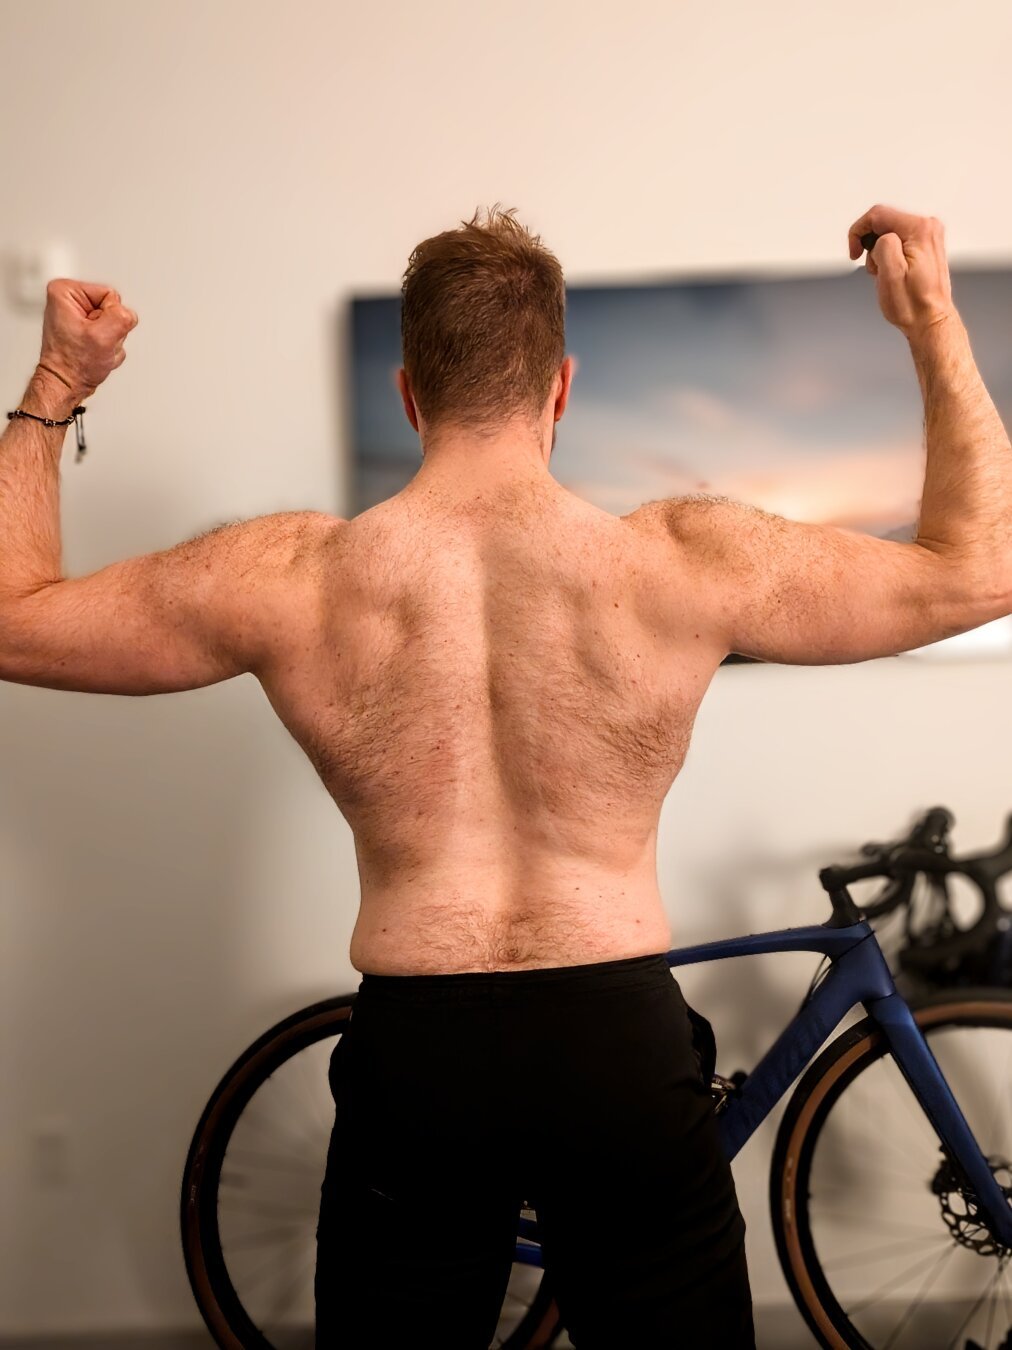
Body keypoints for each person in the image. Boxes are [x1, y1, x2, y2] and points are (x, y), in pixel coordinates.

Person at [1, 203, 1008, 1348]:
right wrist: (927, 316)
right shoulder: (675, 561)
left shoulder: (292, 576)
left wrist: (56, 379)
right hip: (615, 1045)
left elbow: (9, 617)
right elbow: (982, 567)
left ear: (409, 392)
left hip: (418, 1060)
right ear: (562, 389)